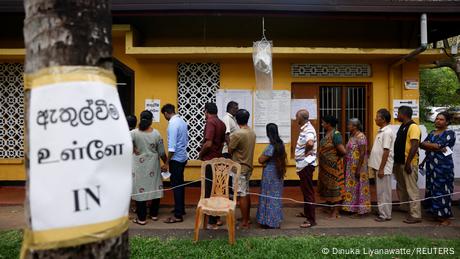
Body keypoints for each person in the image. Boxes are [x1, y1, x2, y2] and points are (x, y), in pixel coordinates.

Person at [131, 110, 167, 225]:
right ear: (151, 120)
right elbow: (161, 152)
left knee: (139, 190)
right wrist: (166, 163)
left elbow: (124, 144)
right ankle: (154, 214)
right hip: (153, 166)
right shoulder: (156, 134)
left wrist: (133, 148)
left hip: (138, 167)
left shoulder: (134, 133)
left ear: (140, 119)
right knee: (155, 187)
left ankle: (141, 219)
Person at [420, 111, 456, 226]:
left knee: (443, 191)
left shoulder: (449, 133)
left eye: (441, 119)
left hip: (443, 167)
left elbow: (438, 145)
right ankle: (435, 214)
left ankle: (445, 217)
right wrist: (435, 147)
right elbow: (422, 144)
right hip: (431, 166)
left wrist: (433, 146)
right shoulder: (432, 133)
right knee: (432, 189)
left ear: (447, 122)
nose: (438, 121)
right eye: (437, 119)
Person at [198, 102, 226, 229]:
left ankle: (211, 221)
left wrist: (200, 154)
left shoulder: (210, 122)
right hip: (218, 159)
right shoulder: (221, 123)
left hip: (209, 161)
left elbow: (208, 143)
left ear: (206, 111)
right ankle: (217, 217)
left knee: (208, 190)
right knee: (217, 189)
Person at [393, 105, 422, 224]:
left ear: (403, 114)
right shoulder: (403, 126)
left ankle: (416, 215)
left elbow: (415, 145)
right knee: (401, 187)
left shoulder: (413, 127)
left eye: (398, 113)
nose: (397, 116)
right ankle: (404, 207)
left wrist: (408, 163)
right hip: (399, 162)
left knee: (411, 189)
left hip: (408, 163)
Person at [161, 104, 189, 223]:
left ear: (167, 113)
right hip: (182, 157)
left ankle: (178, 215)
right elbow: (186, 139)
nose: (165, 117)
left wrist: (167, 163)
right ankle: (180, 209)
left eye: (164, 115)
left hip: (176, 159)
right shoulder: (182, 121)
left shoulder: (172, 124)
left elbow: (171, 148)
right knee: (180, 185)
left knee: (176, 186)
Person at [228, 109, 256, 229]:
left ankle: (245, 221)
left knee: (241, 194)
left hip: (239, 168)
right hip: (248, 166)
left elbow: (230, 149)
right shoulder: (252, 132)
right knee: (246, 192)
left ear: (236, 119)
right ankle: (247, 217)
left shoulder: (237, 134)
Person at [256, 123, 286, 229]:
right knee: (275, 198)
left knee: (267, 196)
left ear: (268, 133)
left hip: (270, 174)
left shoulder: (271, 147)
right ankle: (275, 220)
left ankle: (267, 221)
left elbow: (260, 160)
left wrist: (264, 162)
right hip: (278, 174)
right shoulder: (281, 145)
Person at [318, 115, 347, 219]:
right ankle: (329, 207)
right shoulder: (327, 133)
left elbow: (343, 151)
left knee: (336, 188)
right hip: (325, 168)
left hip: (334, 168)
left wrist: (335, 159)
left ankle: (335, 211)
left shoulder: (336, 135)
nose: (322, 124)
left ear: (329, 124)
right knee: (327, 188)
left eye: (323, 122)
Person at [369, 109, 395, 222]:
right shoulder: (382, 131)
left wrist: (381, 169)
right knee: (381, 191)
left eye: (377, 117)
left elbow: (386, 151)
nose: (375, 119)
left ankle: (385, 215)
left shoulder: (387, 132)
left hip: (382, 168)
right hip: (378, 167)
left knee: (383, 192)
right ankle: (382, 211)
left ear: (383, 119)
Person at [342, 118, 371, 217]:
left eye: (349, 125)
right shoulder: (352, 136)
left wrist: (358, 169)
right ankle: (352, 208)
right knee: (352, 188)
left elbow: (362, 153)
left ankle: (360, 211)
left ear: (355, 126)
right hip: (351, 167)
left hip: (358, 167)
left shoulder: (361, 136)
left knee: (359, 187)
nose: (347, 126)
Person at [294, 109, 317, 228]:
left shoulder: (308, 129)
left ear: (301, 118)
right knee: (305, 191)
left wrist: (306, 152)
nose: (295, 119)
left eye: (297, 117)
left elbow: (310, 142)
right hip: (303, 165)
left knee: (308, 192)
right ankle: (307, 213)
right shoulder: (306, 128)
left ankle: (311, 220)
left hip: (306, 165)